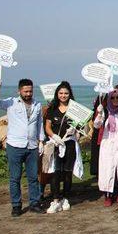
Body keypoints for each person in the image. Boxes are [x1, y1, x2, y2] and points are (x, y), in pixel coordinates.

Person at [0, 78, 45, 216]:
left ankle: (34, 203)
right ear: (19, 91)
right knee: (15, 177)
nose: (28, 94)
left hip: (32, 146)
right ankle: (16, 205)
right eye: (25, 91)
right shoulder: (11, 102)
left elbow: (39, 124)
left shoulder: (37, 104)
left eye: (30, 91)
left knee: (33, 177)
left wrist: (42, 141)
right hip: (15, 145)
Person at [44, 81, 77, 213]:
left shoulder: (75, 109)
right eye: (61, 93)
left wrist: (74, 131)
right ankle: (56, 200)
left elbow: (82, 126)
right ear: (57, 94)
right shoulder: (52, 109)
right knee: (56, 173)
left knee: (68, 173)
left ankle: (65, 198)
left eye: (66, 93)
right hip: (56, 145)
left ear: (70, 94)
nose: (63, 95)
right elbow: (47, 127)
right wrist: (54, 136)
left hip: (70, 144)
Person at [94, 88, 118, 206]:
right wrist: (99, 114)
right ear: (109, 98)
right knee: (107, 168)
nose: (115, 100)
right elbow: (97, 125)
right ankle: (108, 195)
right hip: (107, 140)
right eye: (113, 97)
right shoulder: (105, 111)